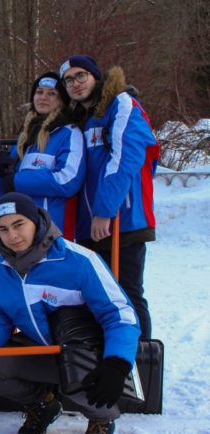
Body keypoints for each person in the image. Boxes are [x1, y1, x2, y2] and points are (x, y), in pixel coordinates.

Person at [0, 193, 140, 434]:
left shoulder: (79, 261)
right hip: (43, 350)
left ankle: (101, 418)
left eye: (19, 225)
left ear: (36, 221)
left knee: (77, 373)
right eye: (3, 229)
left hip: (87, 354)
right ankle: (44, 404)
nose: (13, 236)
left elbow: (119, 315)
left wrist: (116, 363)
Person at [60, 55, 159, 340]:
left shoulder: (121, 104)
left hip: (123, 219)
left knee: (127, 293)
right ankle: (108, 361)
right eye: (69, 80)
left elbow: (124, 160)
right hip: (90, 225)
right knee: (100, 296)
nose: (75, 84)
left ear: (96, 77)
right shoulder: (83, 118)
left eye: (81, 76)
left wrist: (105, 210)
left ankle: (140, 362)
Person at [0, 71, 85, 240]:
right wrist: (0, 174)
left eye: (52, 94)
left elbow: (67, 180)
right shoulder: (25, 137)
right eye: (39, 92)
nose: (43, 97)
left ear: (62, 100)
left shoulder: (69, 133)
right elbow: (4, 190)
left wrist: (16, 180)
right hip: (19, 235)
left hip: (52, 232)